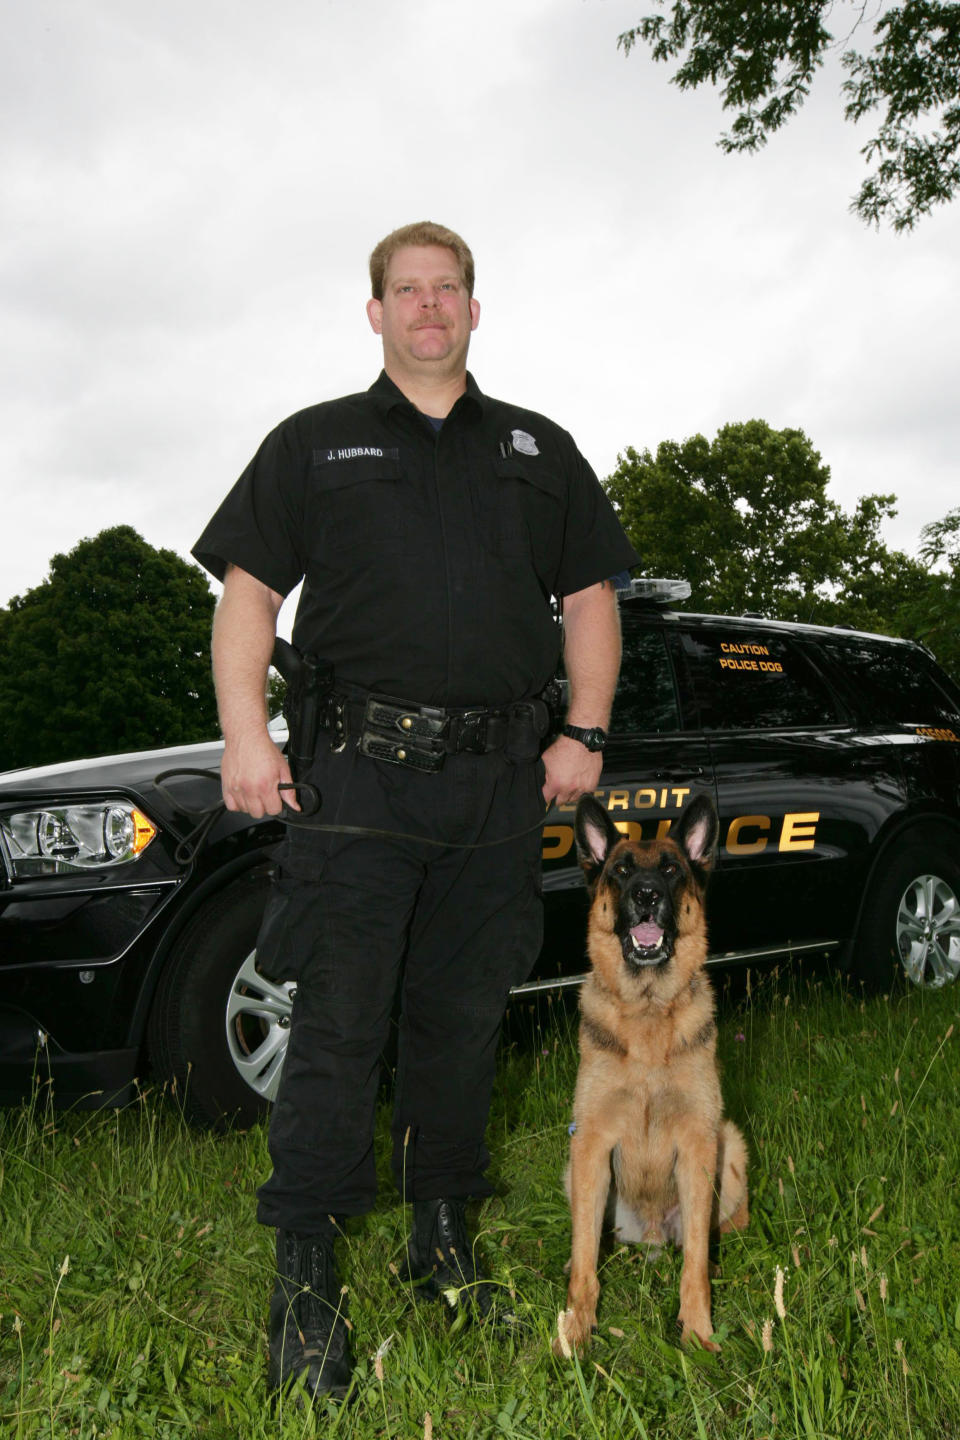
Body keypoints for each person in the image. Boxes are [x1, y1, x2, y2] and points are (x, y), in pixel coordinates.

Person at [192, 220, 638, 1402]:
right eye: (407, 291)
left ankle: (442, 1238)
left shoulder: (541, 450)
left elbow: (589, 597)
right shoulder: (314, 444)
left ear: (475, 312)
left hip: (499, 784)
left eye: (448, 290)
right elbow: (249, 593)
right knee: (339, 1025)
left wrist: (583, 730)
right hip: (358, 779)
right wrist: (246, 731)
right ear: (376, 313)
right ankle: (306, 1271)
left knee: (462, 1020)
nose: (429, 308)